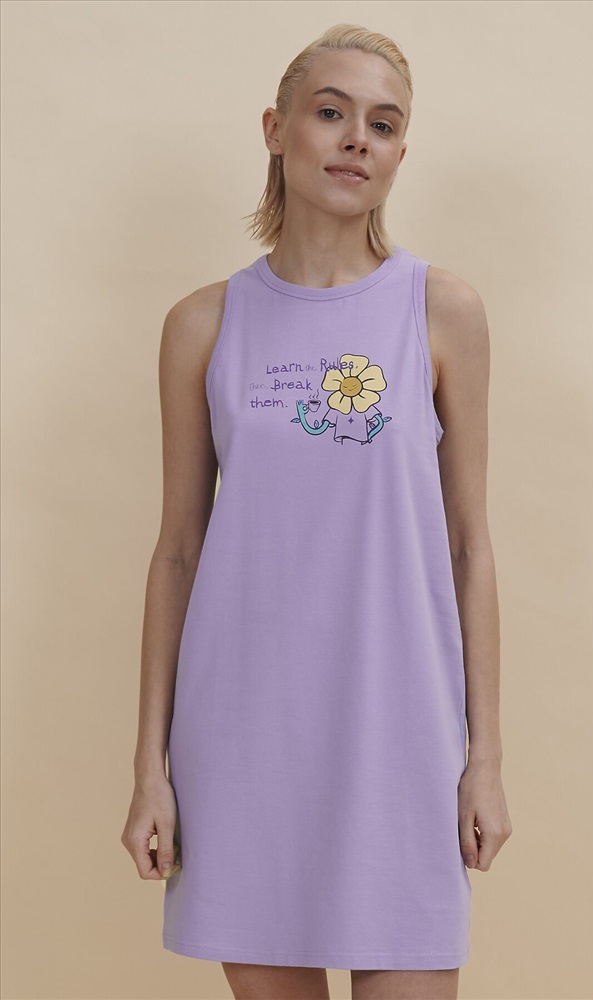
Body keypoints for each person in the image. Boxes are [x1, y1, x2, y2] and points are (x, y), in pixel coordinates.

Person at [121, 22, 512, 1000]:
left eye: (382, 124)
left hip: (401, 734)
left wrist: (485, 760)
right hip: (244, 739)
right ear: (275, 128)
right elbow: (177, 553)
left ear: (400, 153)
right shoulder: (203, 324)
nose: (354, 140)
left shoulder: (441, 310)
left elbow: (469, 546)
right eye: (330, 112)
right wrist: (150, 770)